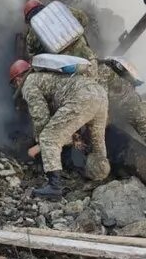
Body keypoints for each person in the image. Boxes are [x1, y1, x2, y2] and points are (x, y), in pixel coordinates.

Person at [9, 59, 110, 199]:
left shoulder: (29, 83)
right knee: (98, 143)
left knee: (48, 137)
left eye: (15, 83)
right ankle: (100, 178)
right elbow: (64, 120)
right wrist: (72, 137)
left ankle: (54, 187)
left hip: (82, 97)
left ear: (18, 79)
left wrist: (40, 144)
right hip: (99, 94)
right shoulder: (46, 76)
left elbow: (40, 115)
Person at [94, 61, 146, 152]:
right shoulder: (99, 69)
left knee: (145, 132)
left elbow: (101, 97)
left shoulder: (100, 70)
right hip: (110, 112)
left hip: (125, 105)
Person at [22, 0, 98, 61]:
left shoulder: (32, 34)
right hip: (84, 54)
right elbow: (84, 19)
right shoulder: (60, 11)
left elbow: (34, 56)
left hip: (60, 64)